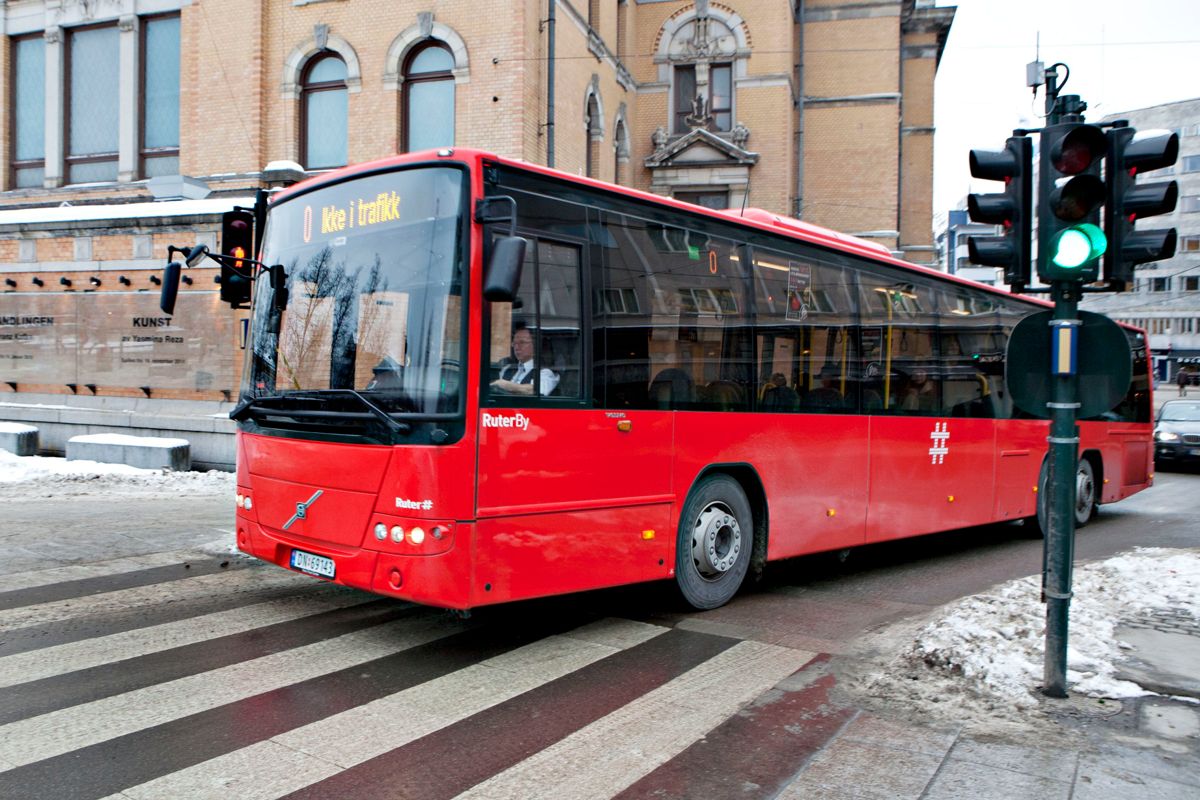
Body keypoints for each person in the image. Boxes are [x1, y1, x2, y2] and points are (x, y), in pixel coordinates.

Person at [491, 327, 559, 396]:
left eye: (522, 342)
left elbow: (536, 390)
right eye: (514, 343)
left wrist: (507, 386)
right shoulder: (507, 368)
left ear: (534, 345)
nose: (516, 347)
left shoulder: (545, 373)